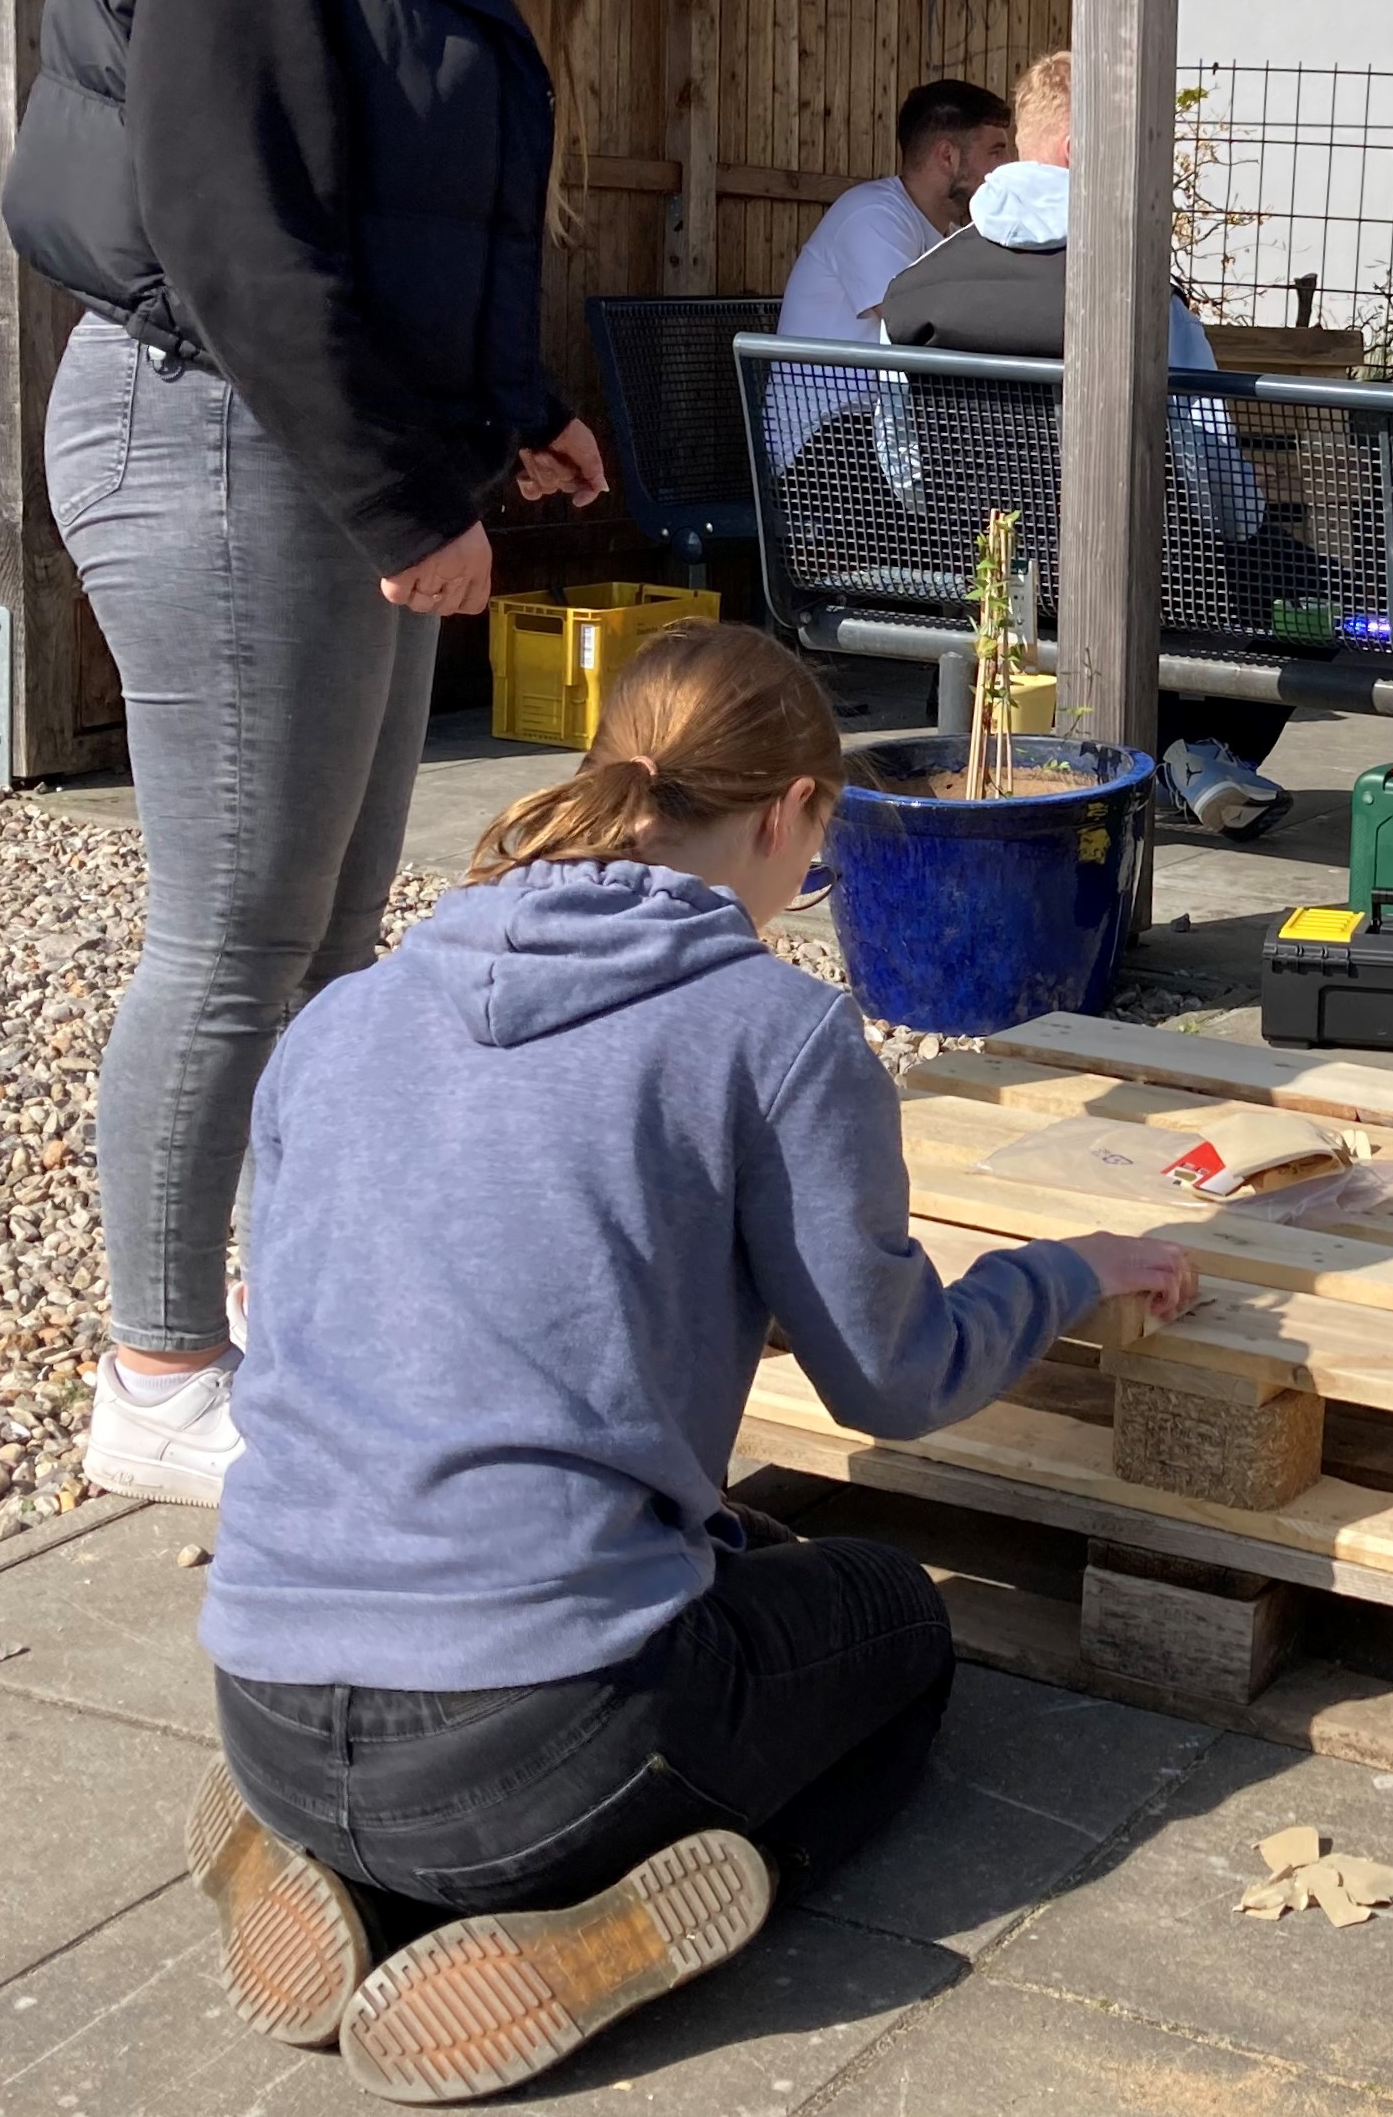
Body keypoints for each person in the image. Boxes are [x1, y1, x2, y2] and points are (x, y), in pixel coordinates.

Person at [187, 621, 1197, 2101]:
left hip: (263, 1684)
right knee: (890, 1620)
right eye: (819, 842)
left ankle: (345, 1868)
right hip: (539, 1738)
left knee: (731, 1554)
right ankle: (574, 1932)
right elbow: (893, 1385)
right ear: (791, 811)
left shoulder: (343, 1018)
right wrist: (1065, 1275)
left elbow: (375, 1310)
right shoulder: (772, 1033)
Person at [3, 0, 623, 1509]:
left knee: (332, 937)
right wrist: (395, 495)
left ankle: (312, 1316)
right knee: (232, 938)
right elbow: (230, 221)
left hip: (311, 440)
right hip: (208, 431)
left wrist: (514, 419)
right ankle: (159, 1372)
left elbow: (391, 218)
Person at [877, 48, 1299, 836]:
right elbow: (1216, 488)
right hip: (1147, 576)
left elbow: (904, 472)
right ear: (1082, 151)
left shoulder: (915, 287)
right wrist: (1249, 530)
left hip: (986, 571)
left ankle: (1170, 753)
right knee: (1296, 584)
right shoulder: (1141, 294)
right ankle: (1191, 750)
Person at [761, 76, 1013, 469]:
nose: (1007, 168)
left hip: (883, 436)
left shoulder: (943, 233)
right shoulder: (873, 215)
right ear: (947, 157)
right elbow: (912, 328)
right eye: (996, 152)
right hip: (826, 449)